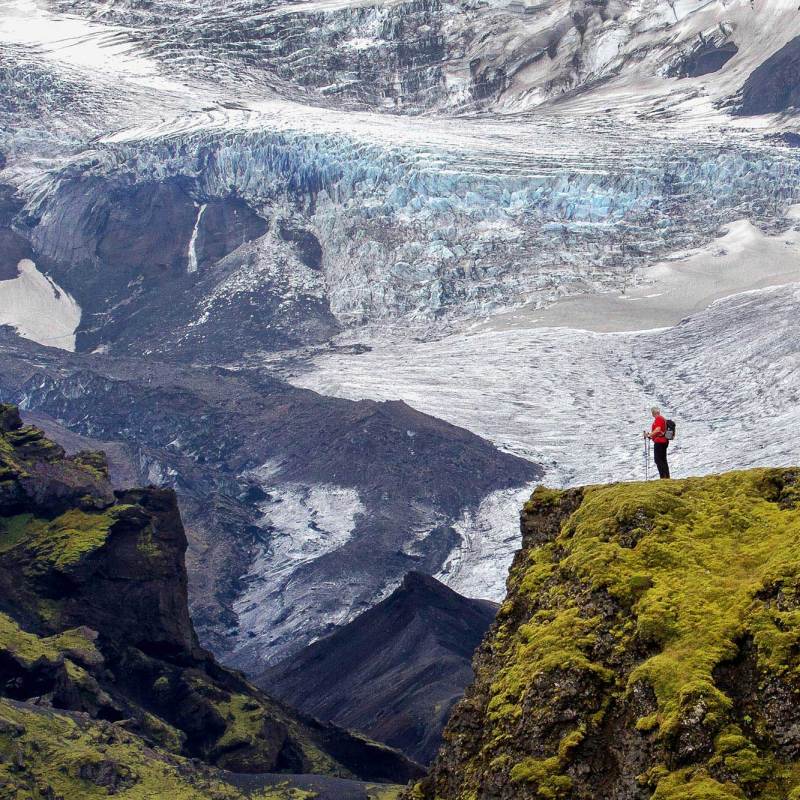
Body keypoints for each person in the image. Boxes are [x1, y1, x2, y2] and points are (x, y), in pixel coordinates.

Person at [644, 406, 670, 479]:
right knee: (663, 459)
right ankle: (666, 477)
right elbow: (659, 431)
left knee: (658, 459)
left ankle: (663, 477)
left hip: (660, 442)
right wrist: (651, 436)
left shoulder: (658, 419)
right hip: (663, 441)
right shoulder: (662, 419)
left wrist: (649, 435)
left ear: (653, 413)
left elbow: (658, 429)